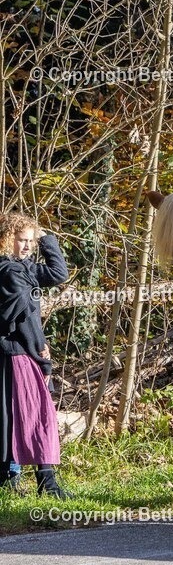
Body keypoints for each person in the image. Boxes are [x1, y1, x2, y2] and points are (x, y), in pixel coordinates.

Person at [0, 213, 71, 497]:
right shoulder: (10, 272)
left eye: (30, 241)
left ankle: (14, 477)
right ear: (7, 239)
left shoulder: (23, 267)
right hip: (19, 352)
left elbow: (58, 273)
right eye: (21, 240)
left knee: (18, 415)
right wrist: (42, 353)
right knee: (34, 414)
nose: (27, 246)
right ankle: (46, 482)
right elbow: (23, 318)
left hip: (22, 351)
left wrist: (46, 239)